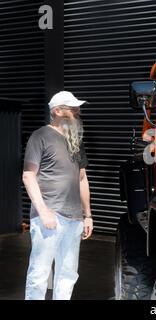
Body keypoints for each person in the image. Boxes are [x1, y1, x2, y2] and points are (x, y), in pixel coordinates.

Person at [22, 91, 93, 300]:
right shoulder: (40, 136)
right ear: (57, 111)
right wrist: (43, 212)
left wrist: (87, 215)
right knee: (39, 274)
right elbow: (28, 176)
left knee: (68, 274)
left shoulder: (76, 141)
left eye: (77, 108)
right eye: (72, 108)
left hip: (74, 219)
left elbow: (81, 179)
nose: (77, 112)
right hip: (49, 216)